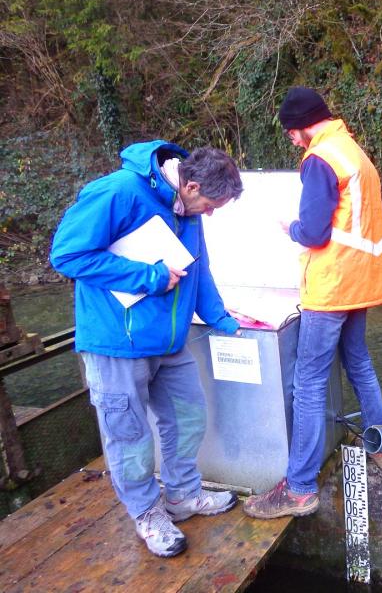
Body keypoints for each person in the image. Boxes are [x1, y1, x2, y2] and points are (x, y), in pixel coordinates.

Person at [50, 142, 243, 557]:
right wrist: (148, 276)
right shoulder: (118, 192)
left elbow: (198, 271)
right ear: (191, 186)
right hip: (117, 343)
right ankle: (147, 514)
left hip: (169, 343)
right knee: (130, 437)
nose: (210, 214)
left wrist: (222, 319)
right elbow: (67, 255)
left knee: (189, 418)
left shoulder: (187, 209)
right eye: (210, 206)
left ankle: (183, 495)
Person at [243, 87, 382, 520]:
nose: (292, 140)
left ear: (303, 125)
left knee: (308, 382)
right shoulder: (353, 152)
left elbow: (313, 233)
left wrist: (288, 227)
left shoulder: (320, 159)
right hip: (360, 281)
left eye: (292, 132)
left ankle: (299, 487)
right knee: (358, 361)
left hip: (331, 286)